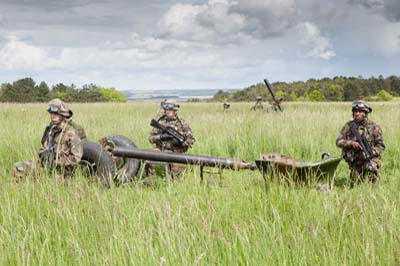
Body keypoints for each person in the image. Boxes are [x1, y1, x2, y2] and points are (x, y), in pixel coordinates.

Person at [13, 99, 84, 180]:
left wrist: (57, 161)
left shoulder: (70, 133)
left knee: (44, 180)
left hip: (62, 172)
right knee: (18, 167)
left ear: (62, 115)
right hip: (47, 167)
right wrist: (43, 154)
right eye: (51, 113)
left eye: (56, 113)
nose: (52, 116)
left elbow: (76, 158)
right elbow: (44, 147)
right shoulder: (51, 130)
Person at [336, 100, 385, 187]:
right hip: (355, 161)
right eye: (355, 111)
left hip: (370, 159)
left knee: (371, 172)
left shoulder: (374, 127)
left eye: (360, 111)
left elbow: (381, 146)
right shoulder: (348, 126)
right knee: (354, 185)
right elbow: (338, 141)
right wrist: (351, 143)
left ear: (365, 112)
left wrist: (370, 152)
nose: (357, 113)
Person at [148, 99, 195, 177]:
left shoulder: (182, 123)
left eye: (170, 109)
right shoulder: (161, 122)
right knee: (148, 156)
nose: (167, 111)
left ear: (175, 110)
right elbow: (150, 138)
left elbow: (191, 140)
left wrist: (181, 142)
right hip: (161, 150)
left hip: (176, 152)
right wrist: (161, 137)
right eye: (166, 109)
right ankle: (150, 179)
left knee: (175, 171)